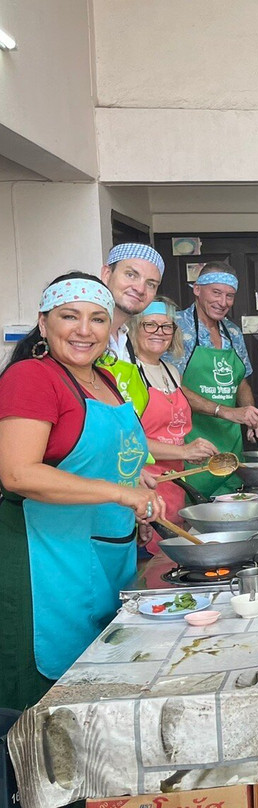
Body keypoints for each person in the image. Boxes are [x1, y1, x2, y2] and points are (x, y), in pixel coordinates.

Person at [0, 272, 165, 710]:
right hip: (47, 563)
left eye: (97, 318)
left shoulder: (104, 381)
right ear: (43, 322)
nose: (84, 330)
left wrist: (135, 492)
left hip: (106, 556)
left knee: (96, 693)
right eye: (69, 316)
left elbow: (104, 460)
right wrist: (118, 493)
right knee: (45, 708)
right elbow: (17, 473)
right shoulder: (32, 378)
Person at [129, 297, 219, 550]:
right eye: (150, 325)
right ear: (135, 327)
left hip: (174, 484)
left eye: (167, 326)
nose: (160, 332)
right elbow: (128, 442)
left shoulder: (171, 371)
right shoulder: (127, 373)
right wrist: (184, 451)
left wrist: (192, 450)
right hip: (143, 485)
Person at [169, 262, 258, 498]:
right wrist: (225, 411)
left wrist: (250, 414)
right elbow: (170, 387)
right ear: (197, 290)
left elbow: (241, 381)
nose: (223, 302)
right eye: (216, 293)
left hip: (229, 447)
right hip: (190, 444)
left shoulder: (232, 332)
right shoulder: (174, 327)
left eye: (229, 296)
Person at [98, 242, 167, 415]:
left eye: (151, 284)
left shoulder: (126, 341)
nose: (140, 288)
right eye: (131, 275)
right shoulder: (82, 339)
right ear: (107, 274)